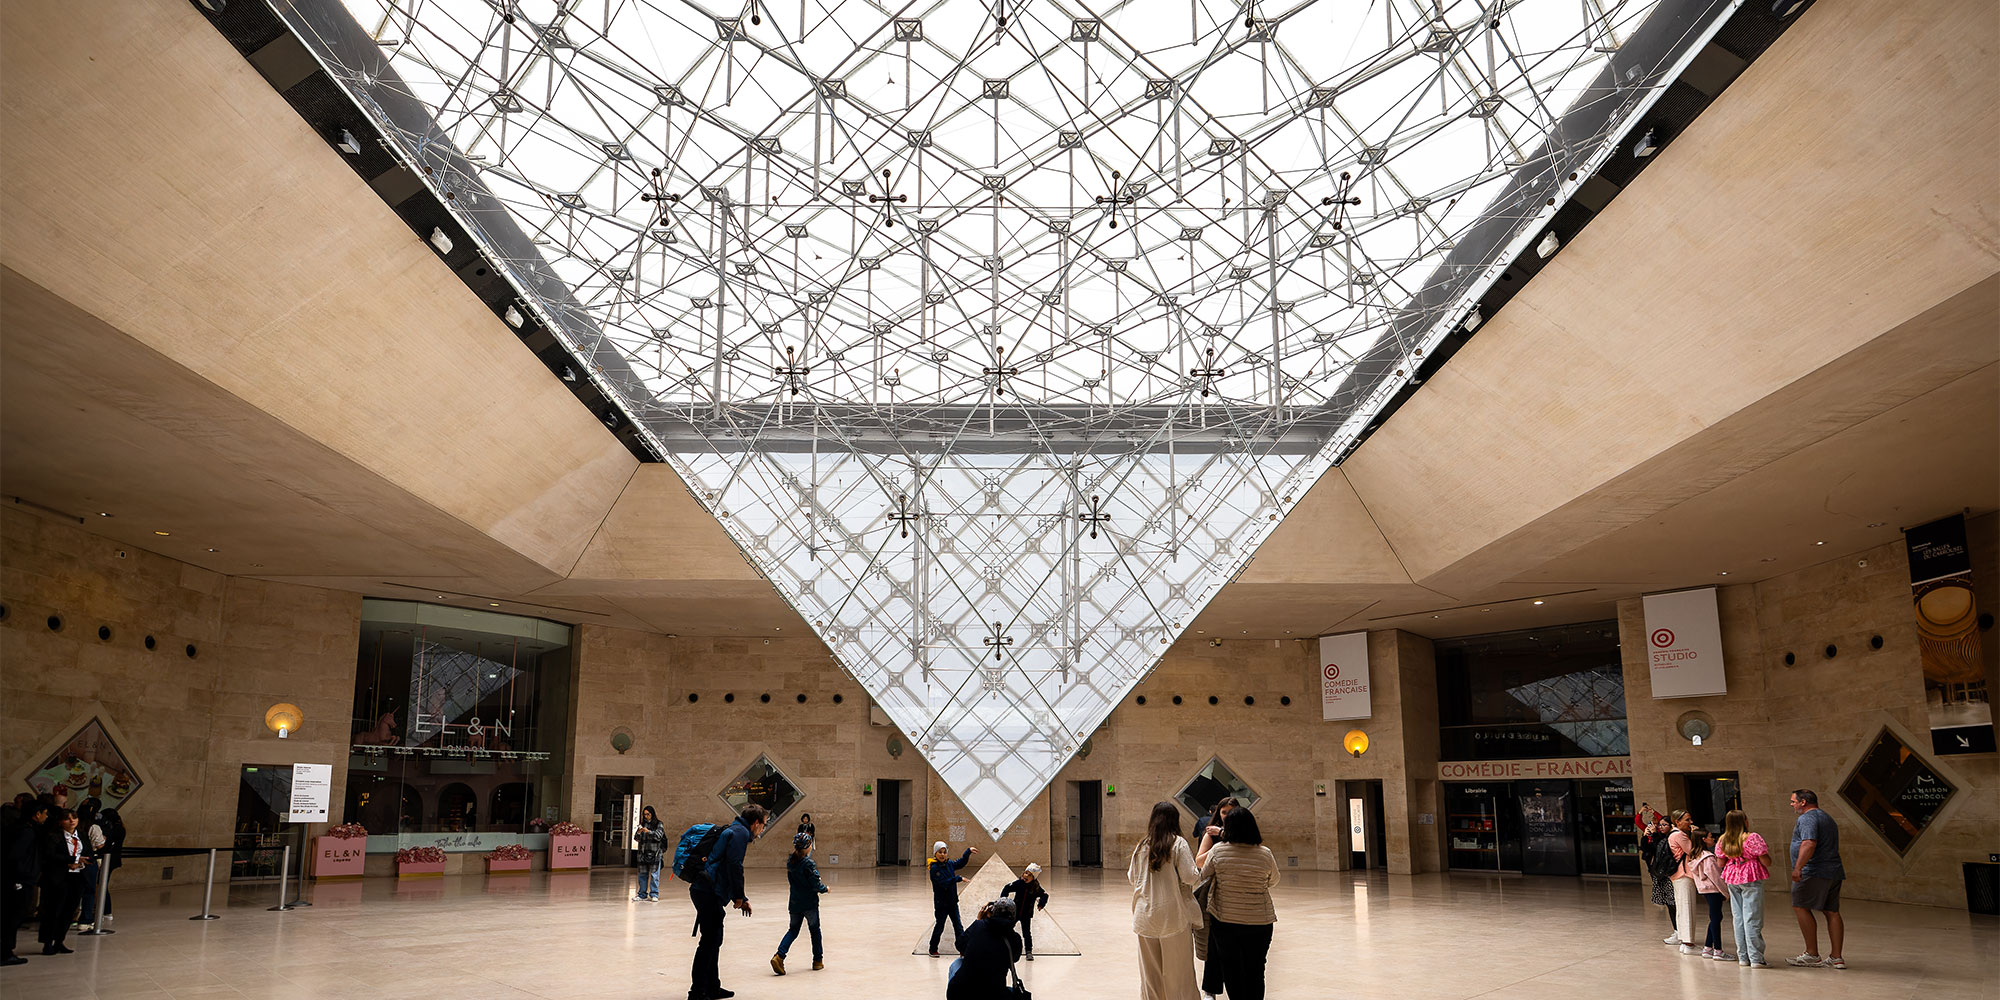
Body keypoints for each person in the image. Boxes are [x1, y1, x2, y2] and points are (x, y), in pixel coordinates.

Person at [1196, 808, 1278, 1000]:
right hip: (1260, 921)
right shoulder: (1265, 853)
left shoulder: (1218, 850)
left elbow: (1204, 875)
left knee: (1232, 970)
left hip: (1226, 920)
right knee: (1256, 969)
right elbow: (1274, 880)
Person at [688, 803, 767, 1000]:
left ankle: (712, 987)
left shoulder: (735, 830)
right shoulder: (740, 833)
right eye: (764, 824)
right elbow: (734, 867)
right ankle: (697, 992)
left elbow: (724, 869)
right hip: (707, 891)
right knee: (709, 942)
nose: (763, 829)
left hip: (705, 889)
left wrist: (742, 897)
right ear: (756, 822)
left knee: (714, 940)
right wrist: (739, 897)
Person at [1129, 801, 1200, 1000]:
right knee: (1179, 972)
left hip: (1145, 916)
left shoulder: (1142, 845)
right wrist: (1199, 872)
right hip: (1173, 915)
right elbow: (1189, 876)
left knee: (1150, 974)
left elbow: (1132, 877)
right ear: (1175, 820)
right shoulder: (1178, 843)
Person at [1787, 789, 1846, 969]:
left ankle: (1812, 954)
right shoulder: (1826, 817)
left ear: (1803, 802)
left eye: (1793, 801)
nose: (1792, 805)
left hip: (1814, 870)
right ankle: (1836, 957)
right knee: (1831, 911)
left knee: (1800, 906)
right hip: (1833, 870)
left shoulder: (1807, 818)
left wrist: (1798, 867)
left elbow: (1809, 842)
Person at [1191, 795, 1240, 998]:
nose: (1228, 816)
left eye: (1231, 812)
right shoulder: (1211, 835)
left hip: (1239, 892)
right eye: (1224, 812)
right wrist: (1219, 843)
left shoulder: (1245, 834)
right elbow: (1199, 861)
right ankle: (1210, 989)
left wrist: (1223, 834)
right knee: (1214, 942)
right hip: (1217, 893)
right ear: (1218, 814)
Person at [1718, 808, 1770, 968]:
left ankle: (1743, 957)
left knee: (1738, 918)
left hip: (1732, 877)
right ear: (1744, 821)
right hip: (1751, 877)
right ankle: (1756, 958)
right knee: (1752, 917)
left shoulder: (1723, 840)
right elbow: (1766, 861)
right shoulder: (1752, 838)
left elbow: (1720, 863)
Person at [770, 832, 826, 975]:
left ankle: (779, 956)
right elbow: (815, 884)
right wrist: (825, 889)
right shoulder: (808, 863)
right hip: (809, 904)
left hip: (794, 903)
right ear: (807, 846)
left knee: (793, 930)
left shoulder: (791, 861)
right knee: (815, 931)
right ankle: (817, 961)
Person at [947, 898, 1023, 1000]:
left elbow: (959, 945)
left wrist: (979, 920)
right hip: (993, 994)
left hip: (960, 993)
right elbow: (1014, 958)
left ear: (992, 912)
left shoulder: (978, 926)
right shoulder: (1015, 938)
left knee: (957, 962)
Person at [2, 801, 48, 966]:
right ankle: (5, 952)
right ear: (37, 814)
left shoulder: (18, 828)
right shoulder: (27, 832)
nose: (46, 816)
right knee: (13, 916)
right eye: (45, 813)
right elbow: (15, 856)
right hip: (19, 880)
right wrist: (19, 878)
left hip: (18, 878)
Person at [37, 809, 84, 956]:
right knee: (53, 911)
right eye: (67, 819)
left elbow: (88, 853)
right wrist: (71, 861)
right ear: (60, 822)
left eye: (74, 817)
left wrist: (81, 863)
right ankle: (47, 943)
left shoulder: (81, 835)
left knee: (68, 911)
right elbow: (50, 855)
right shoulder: (54, 837)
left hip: (76, 877)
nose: (72, 821)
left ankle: (59, 941)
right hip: (57, 878)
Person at [926, 840, 978, 958]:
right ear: (935, 853)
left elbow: (960, 863)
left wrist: (968, 852)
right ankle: (932, 948)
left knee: (958, 927)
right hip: (941, 904)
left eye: (944, 852)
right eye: (940, 852)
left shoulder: (949, 864)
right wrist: (957, 879)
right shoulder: (934, 868)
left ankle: (963, 949)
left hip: (952, 902)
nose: (942, 854)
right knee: (939, 926)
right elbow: (943, 882)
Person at [1690, 829, 1732, 961]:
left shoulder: (1695, 856)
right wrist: (1725, 892)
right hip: (1714, 889)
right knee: (1715, 918)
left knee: (1715, 917)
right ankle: (1718, 950)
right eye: (1710, 836)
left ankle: (1708, 947)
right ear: (1703, 839)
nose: (1713, 839)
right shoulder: (1708, 857)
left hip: (1705, 889)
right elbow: (1716, 877)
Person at [998, 863, 1049, 961]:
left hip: (1026, 914)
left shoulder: (1036, 887)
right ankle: (1001, 946)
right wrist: (1003, 899)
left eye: (1029, 875)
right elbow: (1007, 888)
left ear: (1033, 878)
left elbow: (1045, 895)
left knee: (1026, 933)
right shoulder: (1019, 883)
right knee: (1007, 928)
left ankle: (1028, 951)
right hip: (1015, 912)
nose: (1025, 876)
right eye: (1025, 873)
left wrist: (1041, 904)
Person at [1667, 810, 1698, 955]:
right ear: (1677, 822)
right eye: (1687, 820)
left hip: (1678, 875)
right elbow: (1693, 851)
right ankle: (1688, 943)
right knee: (1687, 907)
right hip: (1684, 874)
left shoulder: (1674, 834)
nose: (1690, 823)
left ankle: (1684, 940)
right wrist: (1696, 837)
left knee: (1682, 907)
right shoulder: (1679, 835)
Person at [1643, 816, 1677, 941]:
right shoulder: (1657, 836)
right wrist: (1646, 836)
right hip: (1659, 873)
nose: (1661, 827)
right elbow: (1647, 850)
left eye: (1664, 825)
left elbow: (1660, 848)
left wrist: (1655, 835)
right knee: (1669, 903)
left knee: (1674, 903)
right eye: (1660, 825)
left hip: (1669, 874)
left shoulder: (1670, 837)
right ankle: (1676, 930)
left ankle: (1680, 931)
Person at [633, 805, 666, 902]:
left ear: (652, 814)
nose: (646, 816)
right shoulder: (642, 824)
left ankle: (654, 894)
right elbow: (636, 838)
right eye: (644, 814)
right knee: (642, 875)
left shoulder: (659, 824)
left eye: (648, 814)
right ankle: (642, 894)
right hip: (642, 854)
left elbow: (659, 836)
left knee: (654, 875)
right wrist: (639, 832)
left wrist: (649, 832)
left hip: (655, 854)